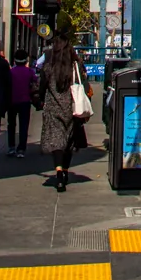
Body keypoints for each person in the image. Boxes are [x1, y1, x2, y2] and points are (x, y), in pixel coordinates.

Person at [36, 30, 91, 193]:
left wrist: (40, 99)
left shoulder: (49, 63)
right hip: (71, 106)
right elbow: (84, 82)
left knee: (56, 140)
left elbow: (43, 84)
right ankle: (66, 170)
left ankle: (59, 170)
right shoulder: (75, 63)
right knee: (68, 140)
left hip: (53, 106)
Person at [7, 53, 35, 156]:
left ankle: (11, 147)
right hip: (25, 101)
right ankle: (21, 149)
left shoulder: (10, 72)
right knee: (24, 125)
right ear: (26, 61)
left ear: (14, 61)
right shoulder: (29, 72)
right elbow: (35, 83)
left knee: (11, 125)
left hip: (12, 101)